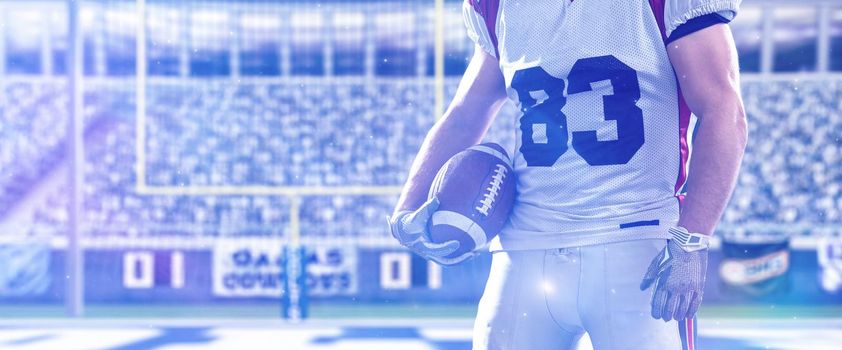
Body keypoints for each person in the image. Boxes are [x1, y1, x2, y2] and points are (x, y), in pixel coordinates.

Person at [389, 0, 747, 348]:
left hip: (636, 243)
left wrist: (693, 237)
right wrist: (407, 211)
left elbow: (723, 110)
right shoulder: (498, 6)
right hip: (526, 247)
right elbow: (467, 112)